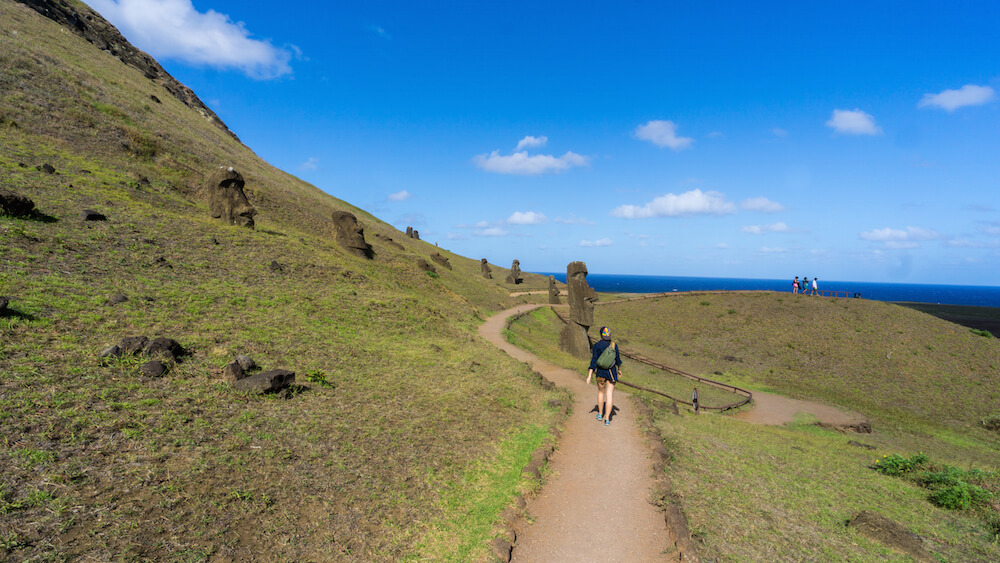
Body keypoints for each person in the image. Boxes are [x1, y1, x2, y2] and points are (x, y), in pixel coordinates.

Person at [587, 326, 622, 426]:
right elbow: (618, 360)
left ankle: (600, 413)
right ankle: (607, 419)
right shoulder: (614, 345)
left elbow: (593, 361)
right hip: (612, 373)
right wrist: (619, 369)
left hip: (601, 373)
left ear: (600, 335)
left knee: (601, 392)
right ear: (609, 335)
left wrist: (589, 375)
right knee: (609, 394)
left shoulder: (597, 346)